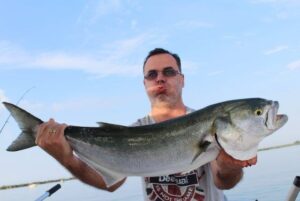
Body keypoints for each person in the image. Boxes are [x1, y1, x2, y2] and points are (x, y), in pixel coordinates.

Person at [36, 48, 257, 201]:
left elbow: (223, 182)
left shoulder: (206, 122)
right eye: (152, 74)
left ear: (182, 79)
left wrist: (231, 165)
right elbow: (109, 183)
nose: (160, 78)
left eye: (169, 72)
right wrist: (65, 158)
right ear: (145, 84)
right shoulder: (132, 131)